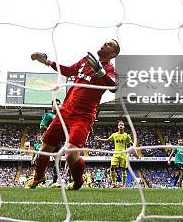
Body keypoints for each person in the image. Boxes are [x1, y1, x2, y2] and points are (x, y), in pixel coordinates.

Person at [26, 39, 120, 191]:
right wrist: (47, 62)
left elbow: (114, 86)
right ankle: (39, 176)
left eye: (109, 44)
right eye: (105, 42)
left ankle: (78, 182)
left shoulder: (110, 70)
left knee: (70, 154)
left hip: (83, 117)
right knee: (44, 148)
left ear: (113, 53)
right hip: (65, 112)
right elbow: (68, 70)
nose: (104, 44)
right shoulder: (85, 61)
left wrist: (101, 72)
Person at [96, 120, 132, 187]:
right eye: (119, 125)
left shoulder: (127, 136)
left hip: (123, 154)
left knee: (123, 169)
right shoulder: (114, 135)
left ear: (124, 126)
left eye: (122, 125)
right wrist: (100, 139)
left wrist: (135, 152)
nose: (121, 126)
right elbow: (107, 140)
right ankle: (114, 183)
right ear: (118, 127)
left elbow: (131, 144)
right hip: (116, 154)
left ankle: (123, 185)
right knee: (112, 167)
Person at [39, 100, 62, 185]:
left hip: (58, 141)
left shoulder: (61, 116)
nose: (57, 106)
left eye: (58, 104)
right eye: (55, 104)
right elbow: (42, 126)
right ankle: (39, 177)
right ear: (52, 106)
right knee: (43, 159)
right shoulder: (48, 115)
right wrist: (50, 130)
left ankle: (55, 181)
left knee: (58, 161)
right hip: (48, 140)